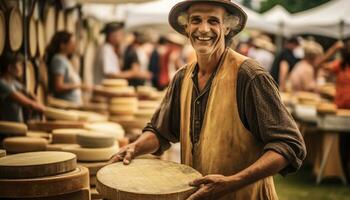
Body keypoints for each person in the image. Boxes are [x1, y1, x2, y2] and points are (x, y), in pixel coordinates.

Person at [110, 1, 306, 199]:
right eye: (196, 20)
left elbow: (289, 145)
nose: (204, 29)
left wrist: (233, 182)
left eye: (213, 21)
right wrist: (134, 147)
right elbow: (160, 131)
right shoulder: (182, 77)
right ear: (186, 27)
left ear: (227, 27)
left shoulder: (249, 75)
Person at [0, 52, 45, 122]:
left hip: (16, 127)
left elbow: (29, 94)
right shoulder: (2, 84)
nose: (22, 68)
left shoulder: (13, 82)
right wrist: (45, 109)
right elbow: (29, 104)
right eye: (19, 65)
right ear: (10, 68)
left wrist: (36, 101)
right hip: (7, 129)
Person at [46, 31, 84, 105]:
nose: (74, 46)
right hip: (66, 104)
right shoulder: (58, 59)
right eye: (72, 43)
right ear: (62, 45)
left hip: (72, 104)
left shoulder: (64, 59)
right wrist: (79, 85)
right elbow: (58, 86)